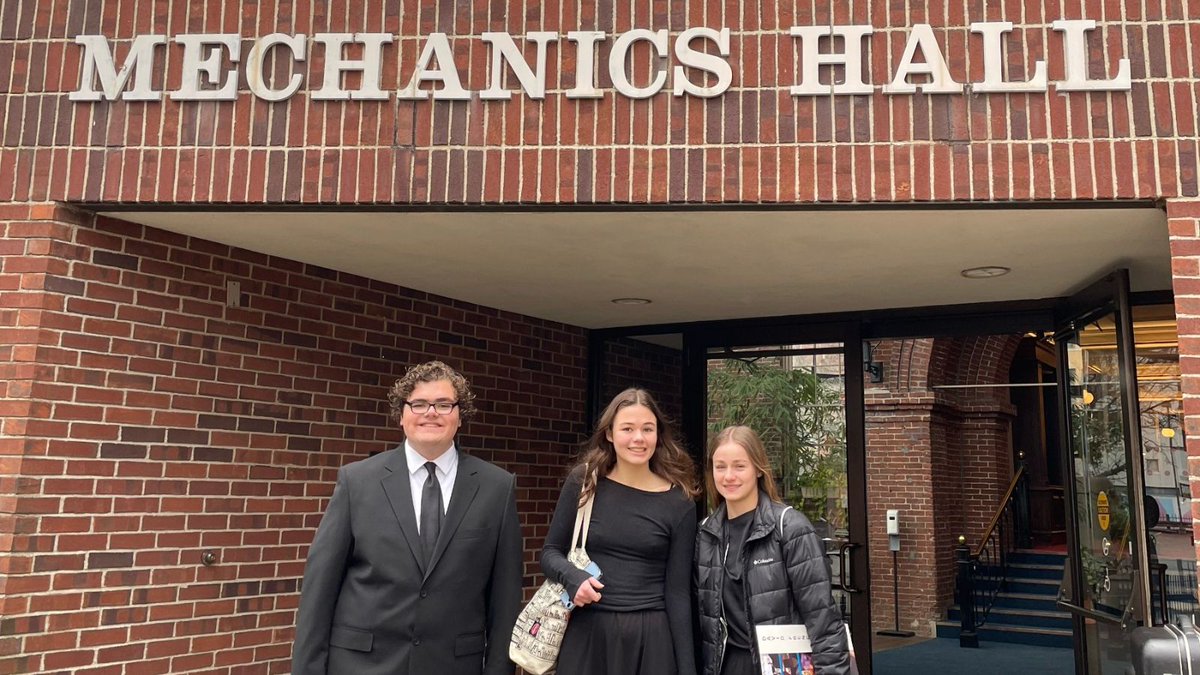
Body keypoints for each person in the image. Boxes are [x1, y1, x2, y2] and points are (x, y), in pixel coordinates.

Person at [292, 361, 523, 675]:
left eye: (444, 404)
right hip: (361, 664)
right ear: (401, 415)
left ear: (460, 416)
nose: (431, 412)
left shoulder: (496, 487)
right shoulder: (357, 482)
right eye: (419, 404)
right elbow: (319, 590)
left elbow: (505, 599)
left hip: (452, 666)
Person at [540, 387, 699, 675]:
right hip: (587, 633)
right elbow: (550, 552)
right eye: (628, 428)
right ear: (610, 434)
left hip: (652, 640)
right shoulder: (585, 483)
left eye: (647, 429)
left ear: (658, 435)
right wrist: (574, 578)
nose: (638, 438)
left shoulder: (680, 503)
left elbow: (678, 593)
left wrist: (687, 668)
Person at [696, 426, 851, 675]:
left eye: (739, 466)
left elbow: (822, 620)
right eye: (720, 466)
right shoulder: (706, 534)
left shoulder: (790, 528)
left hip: (784, 665)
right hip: (726, 666)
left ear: (758, 469)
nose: (728, 476)